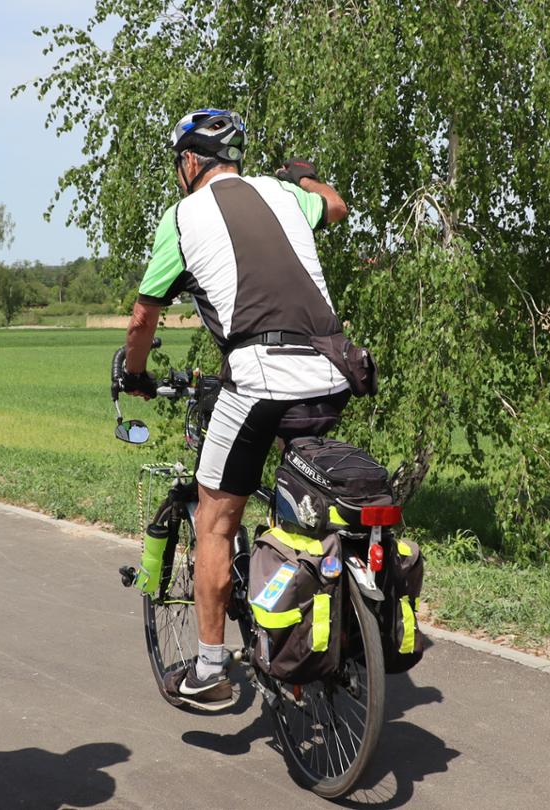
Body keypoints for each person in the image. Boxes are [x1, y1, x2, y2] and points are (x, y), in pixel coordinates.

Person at [117, 109, 349, 710]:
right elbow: (337, 205)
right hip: (332, 372)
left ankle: (211, 670)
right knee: (301, 506)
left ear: (190, 162)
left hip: (257, 377)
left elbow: (144, 314)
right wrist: (304, 179)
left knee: (215, 519)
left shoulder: (183, 216)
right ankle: (310, 615)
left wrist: (135, 372)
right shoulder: (281, 194)